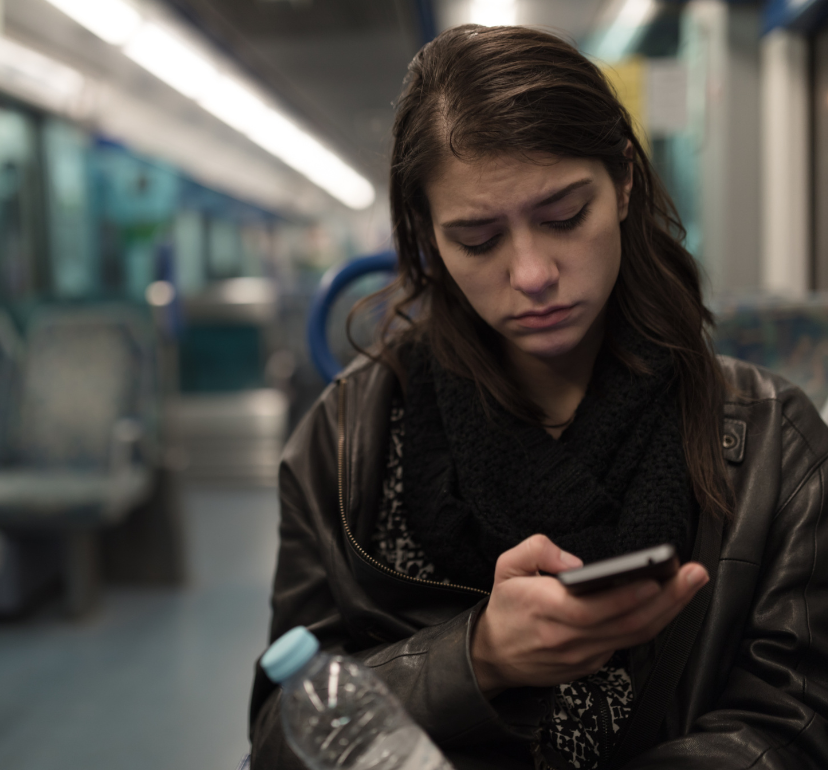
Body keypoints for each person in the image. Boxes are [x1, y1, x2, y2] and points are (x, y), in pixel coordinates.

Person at [248, 24, 828, 770]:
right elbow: (278, 740)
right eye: (478, 240)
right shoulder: (344, 440)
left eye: (562, 217)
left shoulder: (776, 445)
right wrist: (481, 657)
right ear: (427, 236)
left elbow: (794, 730)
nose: (531, 274)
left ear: (623, 181)